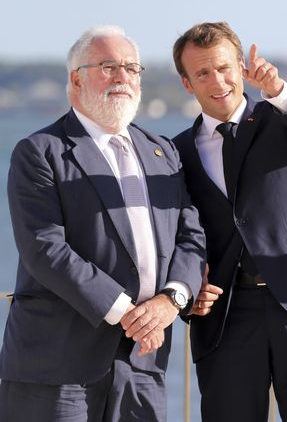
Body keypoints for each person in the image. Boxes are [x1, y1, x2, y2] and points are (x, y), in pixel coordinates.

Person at [0, 25, 206, 421]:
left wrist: (172, 300)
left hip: (142, 365)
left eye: (131, 68)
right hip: (58, 369)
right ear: (76, 79)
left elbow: (190, 235)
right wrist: (128, 312)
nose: (122, 77)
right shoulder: (39, 152)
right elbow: (45, 248)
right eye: (108, 67)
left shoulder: (163, 152)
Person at [171, 22, 287, 422]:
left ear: (241, 68)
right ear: (187, 83)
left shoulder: (280, 119)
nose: (218, 81)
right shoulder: (176, 153)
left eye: (224, 68)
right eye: (203, 73)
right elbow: (173, 233)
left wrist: (277, 90)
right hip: (225, 315)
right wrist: (187, 291)